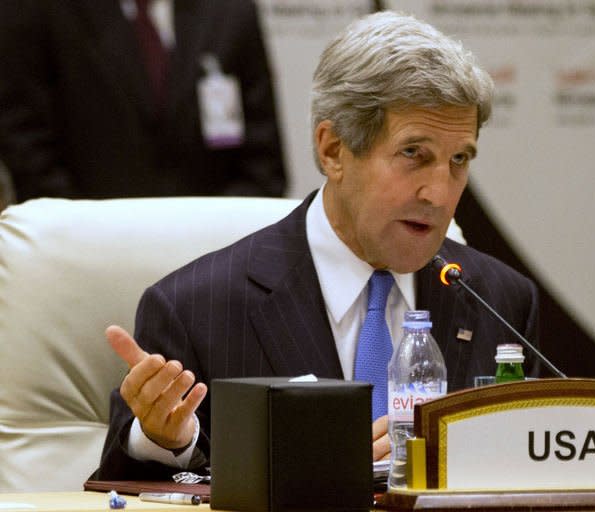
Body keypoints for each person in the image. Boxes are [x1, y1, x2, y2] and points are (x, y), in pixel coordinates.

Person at [94, 10, 539, 481]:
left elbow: (536, 477)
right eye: (414, 154)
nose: (440, 192)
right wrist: (166, 440)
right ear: (332, 150)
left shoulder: (501, 301)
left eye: (459, 160)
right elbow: (126, 489)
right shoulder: (195, 308)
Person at [0, 0, 285, 201]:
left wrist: (210, 240)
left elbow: (263, 165)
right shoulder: (41, 11)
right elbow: (26, 141)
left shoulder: (231, 13)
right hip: (83, 251)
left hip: (213, 260)